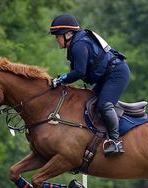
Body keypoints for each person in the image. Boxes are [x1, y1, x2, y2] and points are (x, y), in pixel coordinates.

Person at [49, 14, 130, 156]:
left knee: (103, 105)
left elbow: (79, 72)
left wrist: (60, 80)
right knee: (90, 104)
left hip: (116, 74)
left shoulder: (79, 45)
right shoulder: (76, 43)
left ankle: (116, 142)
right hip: (107, 76)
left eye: (57, 36)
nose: (56, 40)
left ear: (68, 34)